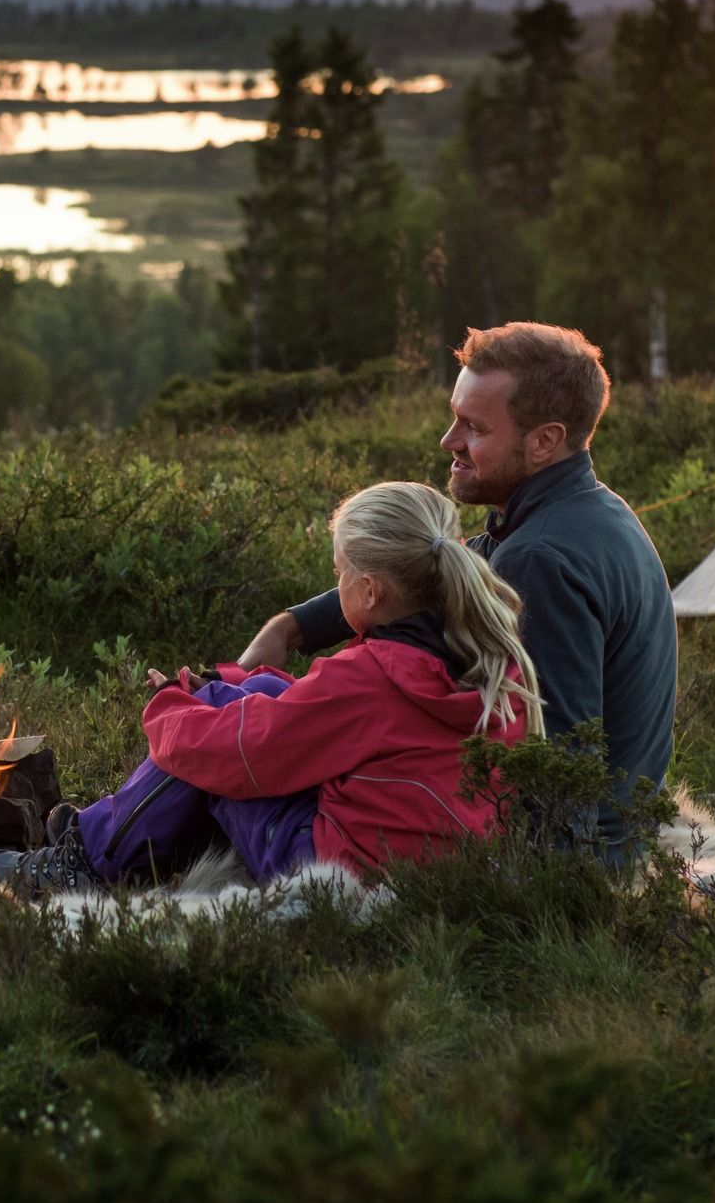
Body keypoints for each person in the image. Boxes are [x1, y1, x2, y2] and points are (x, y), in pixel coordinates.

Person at [238, 322, 676, 859]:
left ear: (544, 441)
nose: (450, 441)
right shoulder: (583, 510)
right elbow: (445, 564)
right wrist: (295, 627)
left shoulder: (538, 560)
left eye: (473, 427)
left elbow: (559, 760)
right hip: (615, 829)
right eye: (454, 417)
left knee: (255, 781)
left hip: (570, 855)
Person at [0, 481, 540, 893]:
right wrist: (230, 683)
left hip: (339, 869)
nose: (338, 582)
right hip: (436, 860)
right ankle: (100, 834)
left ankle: (85, 861)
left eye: (339, 572)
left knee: (205, 739)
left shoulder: (368, 677)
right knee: (228, 702)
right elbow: (314, 713)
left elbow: (238, 753)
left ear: (370, 591)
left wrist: (167, 706)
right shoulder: (493, 656)